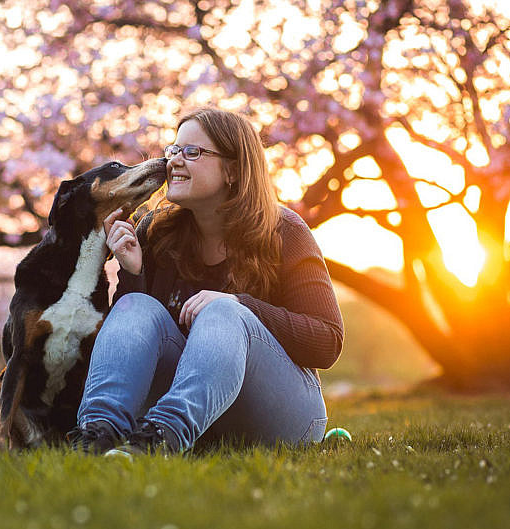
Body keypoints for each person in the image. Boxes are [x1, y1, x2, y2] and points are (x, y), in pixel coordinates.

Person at [66, 107, 343, 456]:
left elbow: (327, 342)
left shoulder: (285, 231)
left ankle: (162, 441)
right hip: (198, 409)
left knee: (225, 312)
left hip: (280, 415)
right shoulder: (156, 231)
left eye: (192, 152)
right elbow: (140, 347)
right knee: (135, 305)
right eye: (174, 150)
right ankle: (96, 435)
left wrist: (241, 305)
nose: (174, 162)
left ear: (233, 170)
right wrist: (134, 272)